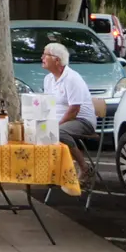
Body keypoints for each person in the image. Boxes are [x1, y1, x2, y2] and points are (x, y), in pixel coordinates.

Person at [41, 41, 97, 170]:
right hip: (60, 119)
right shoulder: (48, 79)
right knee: (34, 130)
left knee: (58, 132)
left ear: (57, 60)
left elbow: (74, 110)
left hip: (81, 120)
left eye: (46, 55)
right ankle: (50, 170)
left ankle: (84, 168)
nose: (42, 58)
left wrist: (56, 125)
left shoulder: (72, 78)